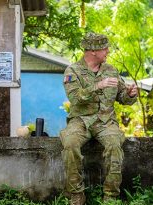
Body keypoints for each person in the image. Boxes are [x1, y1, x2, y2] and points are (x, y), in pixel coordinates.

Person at [60, 32, 138, 205]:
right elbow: (75, 98)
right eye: (104, 48)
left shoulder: (111, 70)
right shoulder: (73, 71)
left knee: (114, 145)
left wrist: (130, 94)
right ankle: (76, 194)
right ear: (93, 51)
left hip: (106, 121)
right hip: (81, 121)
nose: (108, 51)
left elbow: (123, 97)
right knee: (70, 143)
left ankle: (110, 197)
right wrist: (98, 86)